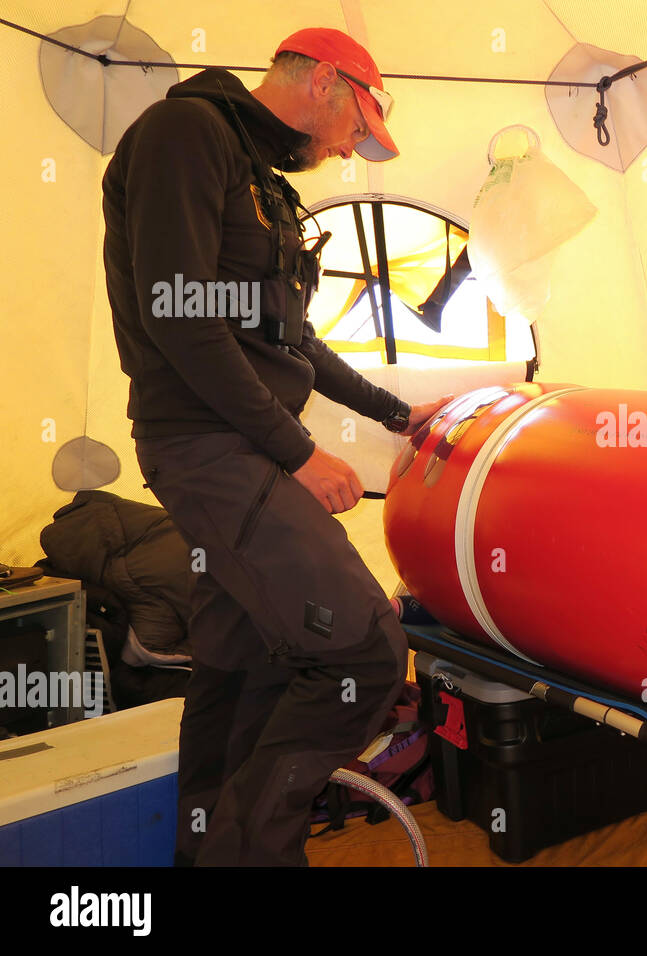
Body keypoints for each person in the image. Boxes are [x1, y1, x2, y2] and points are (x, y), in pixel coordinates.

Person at [103, 27, 448, 865]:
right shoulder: (185, 135)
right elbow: (178, 315)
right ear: (323, 81)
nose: (345, 152)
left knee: (242, 660)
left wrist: (398, 413)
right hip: (209, 447)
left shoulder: (262, 180)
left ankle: (204, 848)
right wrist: (298, 453)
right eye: (352, 130)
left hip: (242, 447)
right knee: (366, 648)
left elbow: (294, 343)